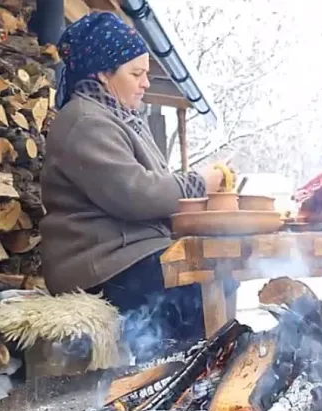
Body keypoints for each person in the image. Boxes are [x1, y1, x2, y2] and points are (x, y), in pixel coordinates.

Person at [40, 12, 226, 357]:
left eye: (146, 74)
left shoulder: (117, 117)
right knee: (193, 290)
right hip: (99, 264)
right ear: (102, 72)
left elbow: (155, 187)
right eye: (136, 74)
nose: (145, 83)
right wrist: (199, 183)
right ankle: (170, 376)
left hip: (128, 254)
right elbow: (139, 194)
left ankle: (195, 377)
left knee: (217, 275)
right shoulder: (85, 120)